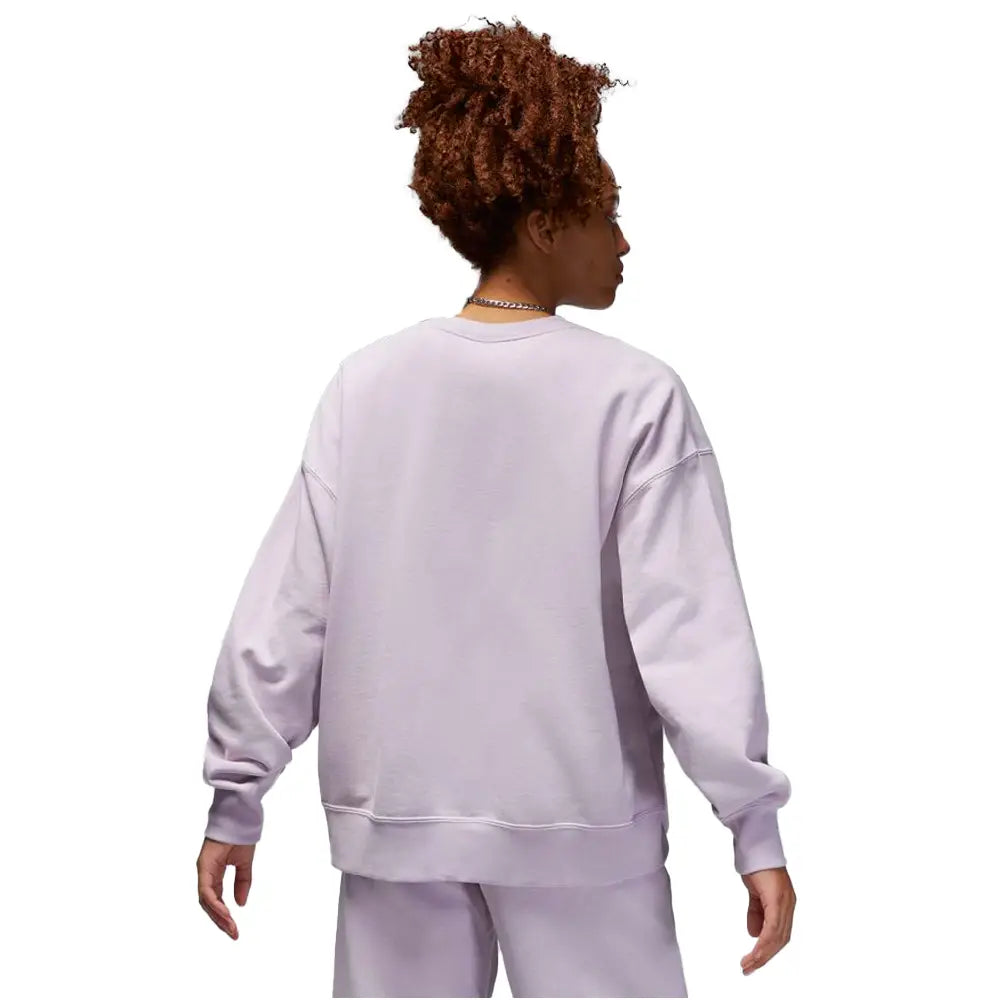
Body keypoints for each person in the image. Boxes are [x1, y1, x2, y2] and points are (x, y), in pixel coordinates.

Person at [196, 16, 796, 997]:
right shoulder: (633, 396)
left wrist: (237, 795)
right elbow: (691, 633)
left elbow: (287, 612)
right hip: (583, 832)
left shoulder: (368, 386)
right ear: (546, 224)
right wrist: (753, 824)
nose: (625, 240)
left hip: (397, 823)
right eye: (605, 213)